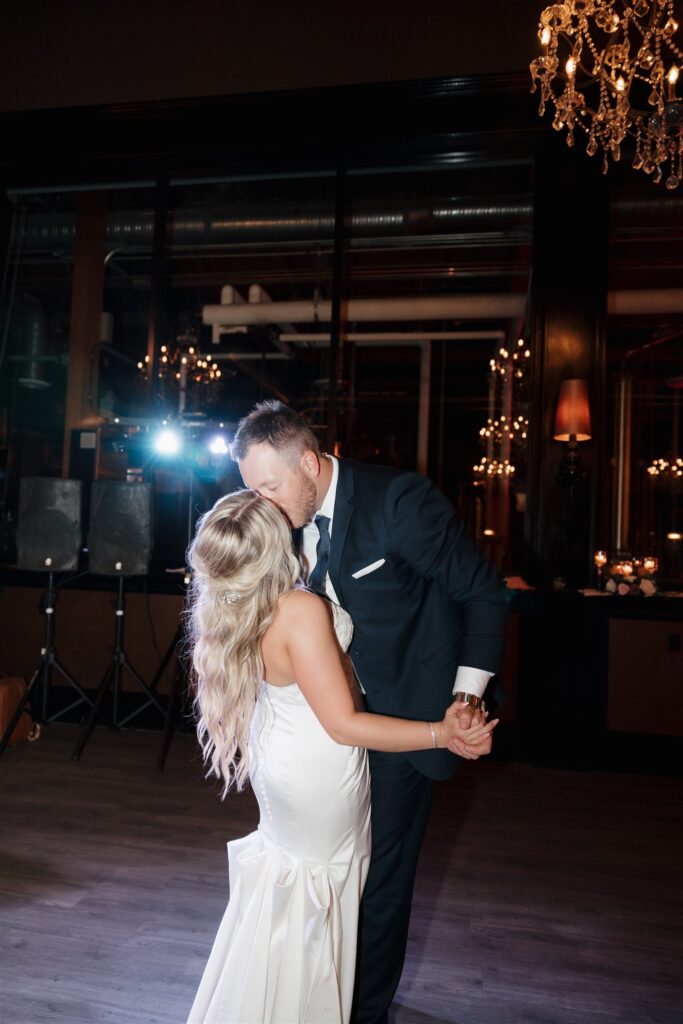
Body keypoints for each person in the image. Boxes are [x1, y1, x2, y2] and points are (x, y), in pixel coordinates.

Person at [233, 401, 508, 1024]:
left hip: (405, 716)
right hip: (317, 729)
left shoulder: (397, 502)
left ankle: (360, 1011)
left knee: (378, 877)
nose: (262, 504)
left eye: (270, 486)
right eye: (252, 489)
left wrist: (463, 701)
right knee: (326, 869)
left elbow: (482, 592)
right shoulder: (276, 518)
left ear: (309, 462)